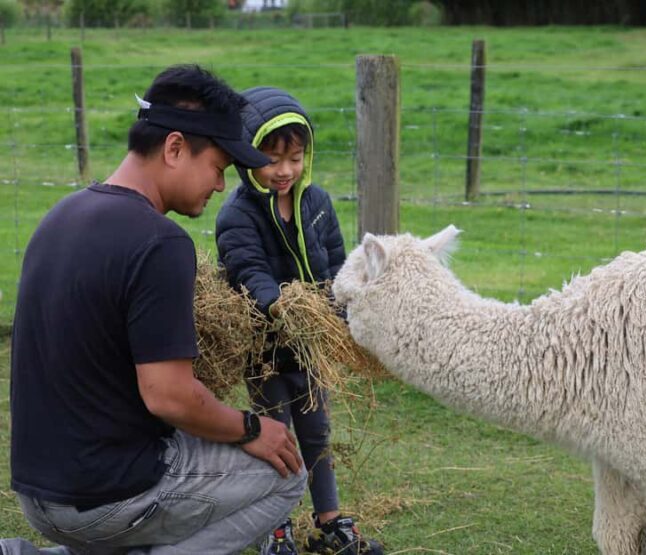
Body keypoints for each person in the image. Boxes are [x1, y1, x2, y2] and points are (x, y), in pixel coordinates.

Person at [1, 65, 306, 555]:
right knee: (285, 473)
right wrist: (252, 427)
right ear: (175, 149)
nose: (219, 186)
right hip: (103, 497)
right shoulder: (160, 243)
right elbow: (168, 397)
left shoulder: (62, 215)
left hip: (39, 491)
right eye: (218, 167)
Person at [215, 87, 383, 555]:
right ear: (248, 157)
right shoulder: (237, 214)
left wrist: (339, 312)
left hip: (313, 348)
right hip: (266, 348)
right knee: (275, 434)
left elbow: (335, 267)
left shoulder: (319, 204)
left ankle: (329, 520)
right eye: (272, 158)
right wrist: (282, 307)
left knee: (317, 430)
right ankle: (275, 524)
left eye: (295, 156)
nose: (285, 170)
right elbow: (249, 271)